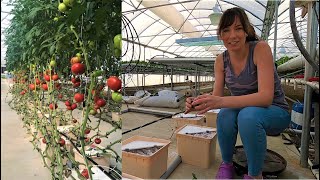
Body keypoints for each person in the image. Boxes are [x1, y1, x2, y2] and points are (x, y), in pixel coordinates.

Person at [185, 7, 290, 179]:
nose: (232, 35)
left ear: (247, 30)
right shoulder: (221, 60)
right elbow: (216, 97)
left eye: (238, 28)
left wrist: (220, 101)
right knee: (225, 114)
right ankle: (227, 164)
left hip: (275, 111)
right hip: (246, 112)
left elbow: (265, 97)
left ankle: (255, 175)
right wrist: (197, 103)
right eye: (226, 30)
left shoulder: (260, 49)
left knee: (247, 116)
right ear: (220, 35)